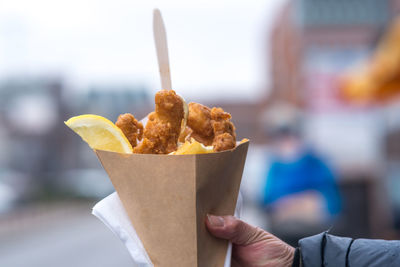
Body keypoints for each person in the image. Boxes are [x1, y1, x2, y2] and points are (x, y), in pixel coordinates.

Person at [206, 214, 400, 267]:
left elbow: (332, 204)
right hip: (286, 233)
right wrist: (295, 261)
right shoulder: (276, 166)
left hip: (313, 228)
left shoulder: (315, 161)